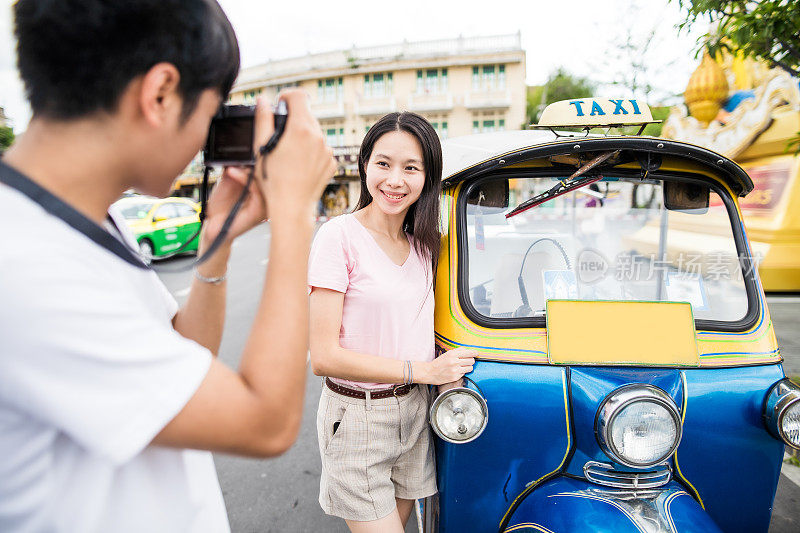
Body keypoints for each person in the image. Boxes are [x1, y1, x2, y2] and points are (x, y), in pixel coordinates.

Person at [0, 1, 335, 532]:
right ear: (159, 94)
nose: (208, 140)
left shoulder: (86, 220)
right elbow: (265, 423)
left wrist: (216, 238)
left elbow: (182, 355)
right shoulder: (23, 265)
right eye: (210, 114)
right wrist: (295, 212)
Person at [308, 112, 476, 533]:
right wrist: (424, 371)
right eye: (384, 164)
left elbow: (427, 331)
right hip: (358, 417)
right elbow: (324, 357)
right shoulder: (338, 237)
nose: (395, 180)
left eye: (411, 168)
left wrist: (446, 376)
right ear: (365, 164)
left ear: (427, 177)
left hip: (416, 413)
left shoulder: (425, 244)